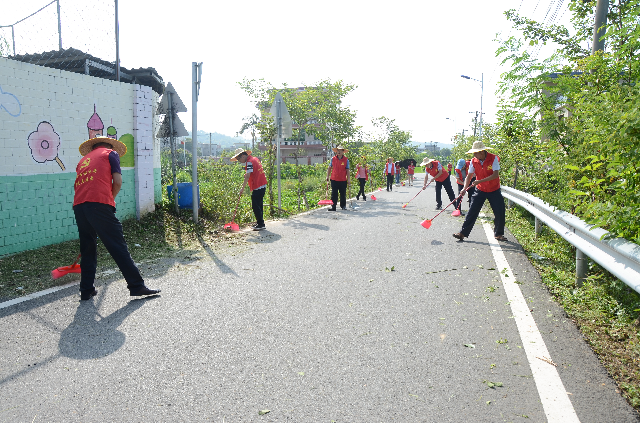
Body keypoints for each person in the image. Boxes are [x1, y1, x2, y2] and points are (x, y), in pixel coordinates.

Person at [73, 136, 160, 300]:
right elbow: (118, 182)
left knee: (88, 248)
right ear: (109, 146)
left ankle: (86, 289)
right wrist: (109, 200)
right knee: (117, 245)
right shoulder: (111, 154)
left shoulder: (83, 160)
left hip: (79, 205)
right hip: (98, 203)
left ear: (93, 148)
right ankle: (136, 285)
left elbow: (80, 184)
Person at [453, 141, 507, 242]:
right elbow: (469, 176)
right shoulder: (474, 161)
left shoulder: (493, 158)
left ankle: (498, 234)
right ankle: (462, 233)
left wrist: (479, 181)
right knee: (472, 211)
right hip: (480, 189)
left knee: (499, 212)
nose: (474, 155)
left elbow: (495, 175)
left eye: (475, 152)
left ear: (481, 152)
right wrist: (464, 188)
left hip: (494, 189)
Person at [232, 148, 267, 230]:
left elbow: (248, 175)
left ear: (243, 156)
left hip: (258, 185)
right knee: (259, 205)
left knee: (255, 205)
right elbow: (252, 172)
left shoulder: (249, 162)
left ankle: (261, 224)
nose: (239, 160)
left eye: (238, 158)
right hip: (262, 184)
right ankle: (260, 222)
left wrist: (242, 188)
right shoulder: (254, 159)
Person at [326, 145, 350, 211]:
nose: (339, 152)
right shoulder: (333, 159)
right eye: (338, 150)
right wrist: (327, 176)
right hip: (334, 179)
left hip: (342, 179)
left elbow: (347, 170)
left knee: (343, 193)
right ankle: (333, 206)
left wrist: (348, 179)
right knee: (334, 193)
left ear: (343, 152)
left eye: (340, 151)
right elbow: (329, 168)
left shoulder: (346, 160)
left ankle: (343, 206)